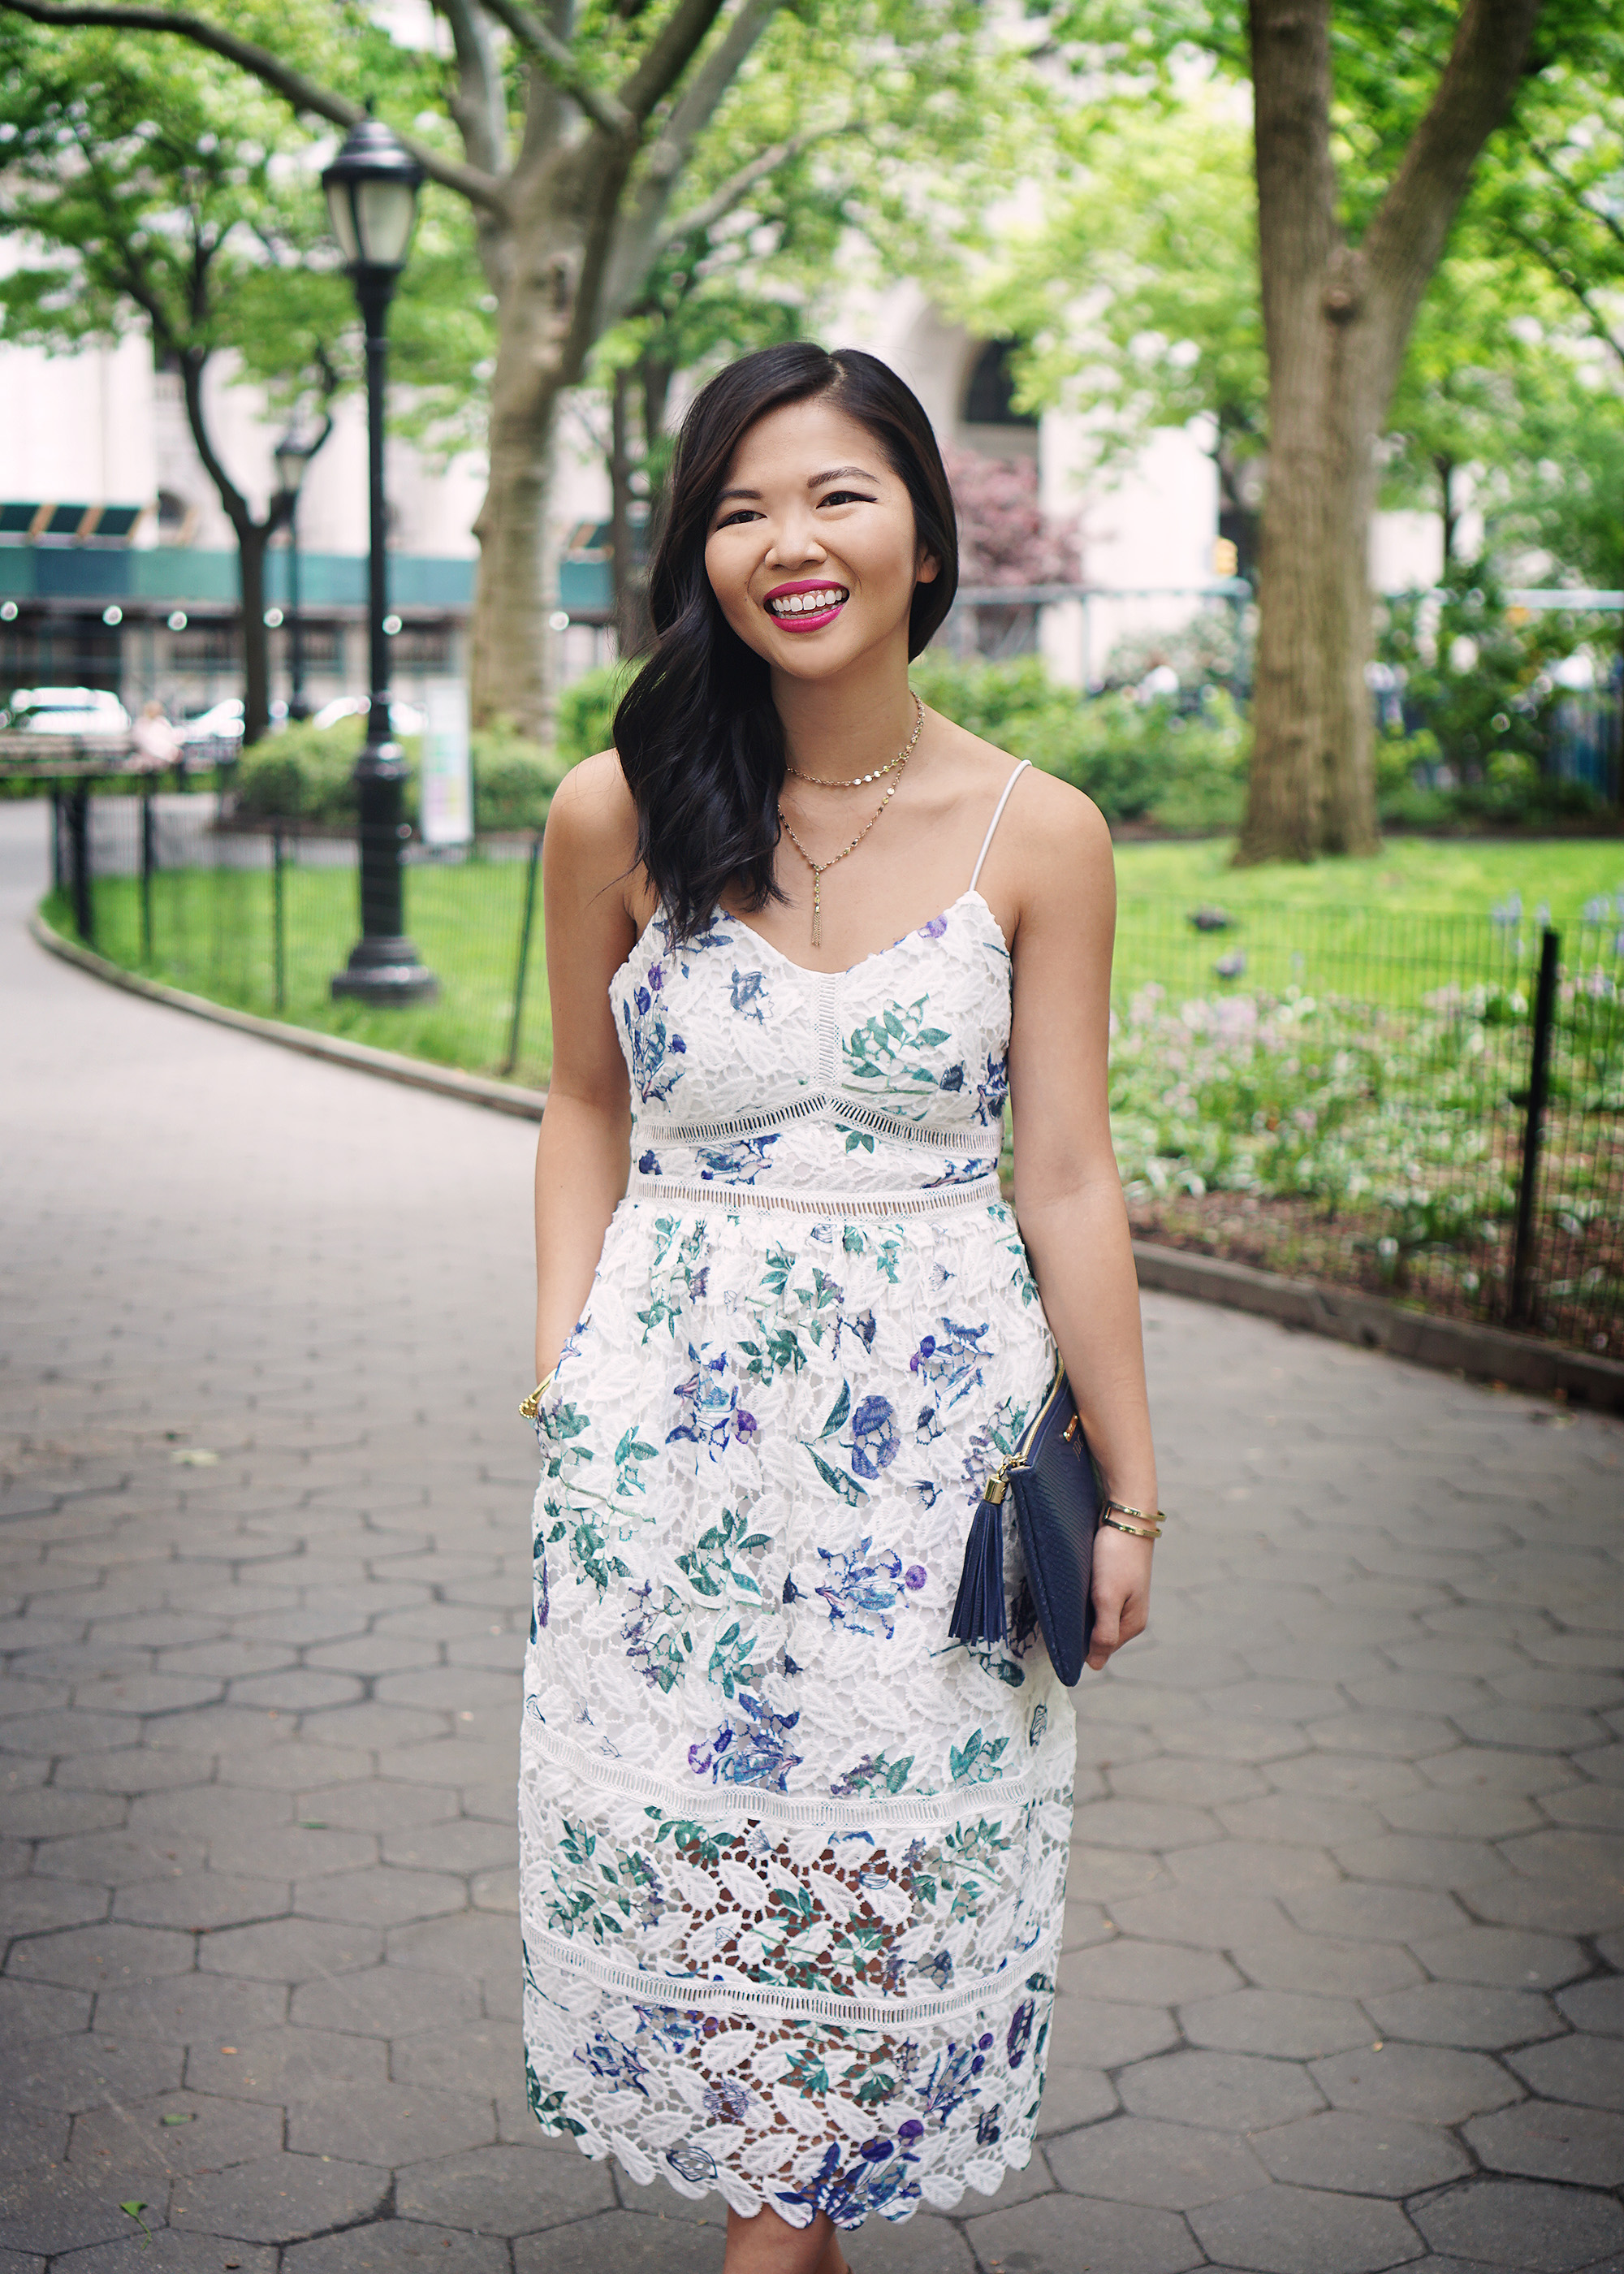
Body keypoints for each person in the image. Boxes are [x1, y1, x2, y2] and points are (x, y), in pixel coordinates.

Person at [521, 344, 1160, 2274]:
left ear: (922, 532)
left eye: (832, 495)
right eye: (737, 508)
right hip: (672, 1452)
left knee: (881, 1863)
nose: (786, 543)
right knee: (710, 1845)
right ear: (697, 549)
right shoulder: (611, 808)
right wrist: (558, 1368)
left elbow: (1065, 1171)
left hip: (936, 1468)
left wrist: (1128, 1492)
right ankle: (779, 2221)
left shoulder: (1033, 830)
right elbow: (579, 1102)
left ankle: (786, 2221)